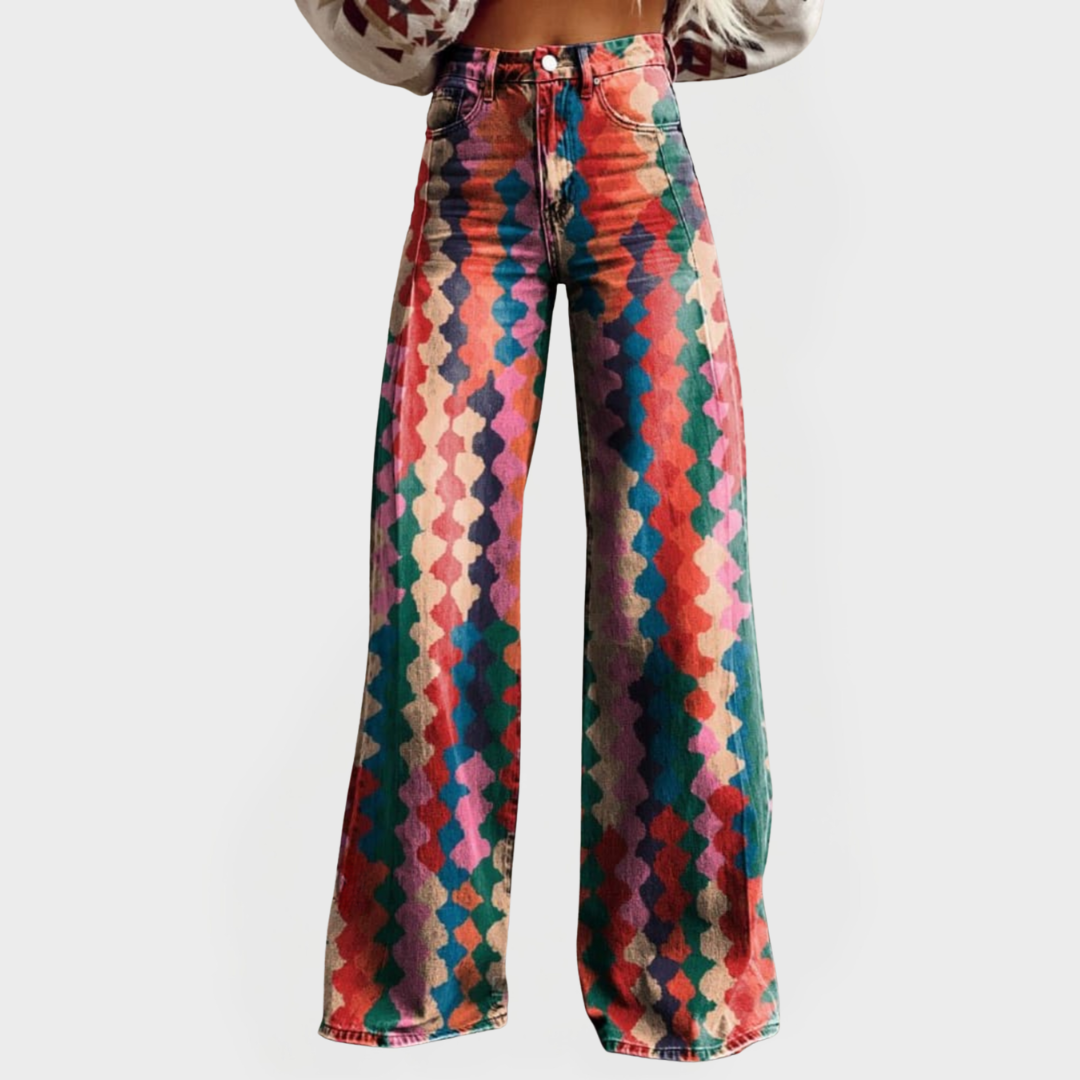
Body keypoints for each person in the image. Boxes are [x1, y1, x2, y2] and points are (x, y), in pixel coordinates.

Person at [301, 0, 823, 1062]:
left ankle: (688, 990)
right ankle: (416, 983)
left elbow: (783, 15)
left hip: (633, 134)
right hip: (473, 154)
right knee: (430, 597)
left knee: (682, 598)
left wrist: (671, 44)